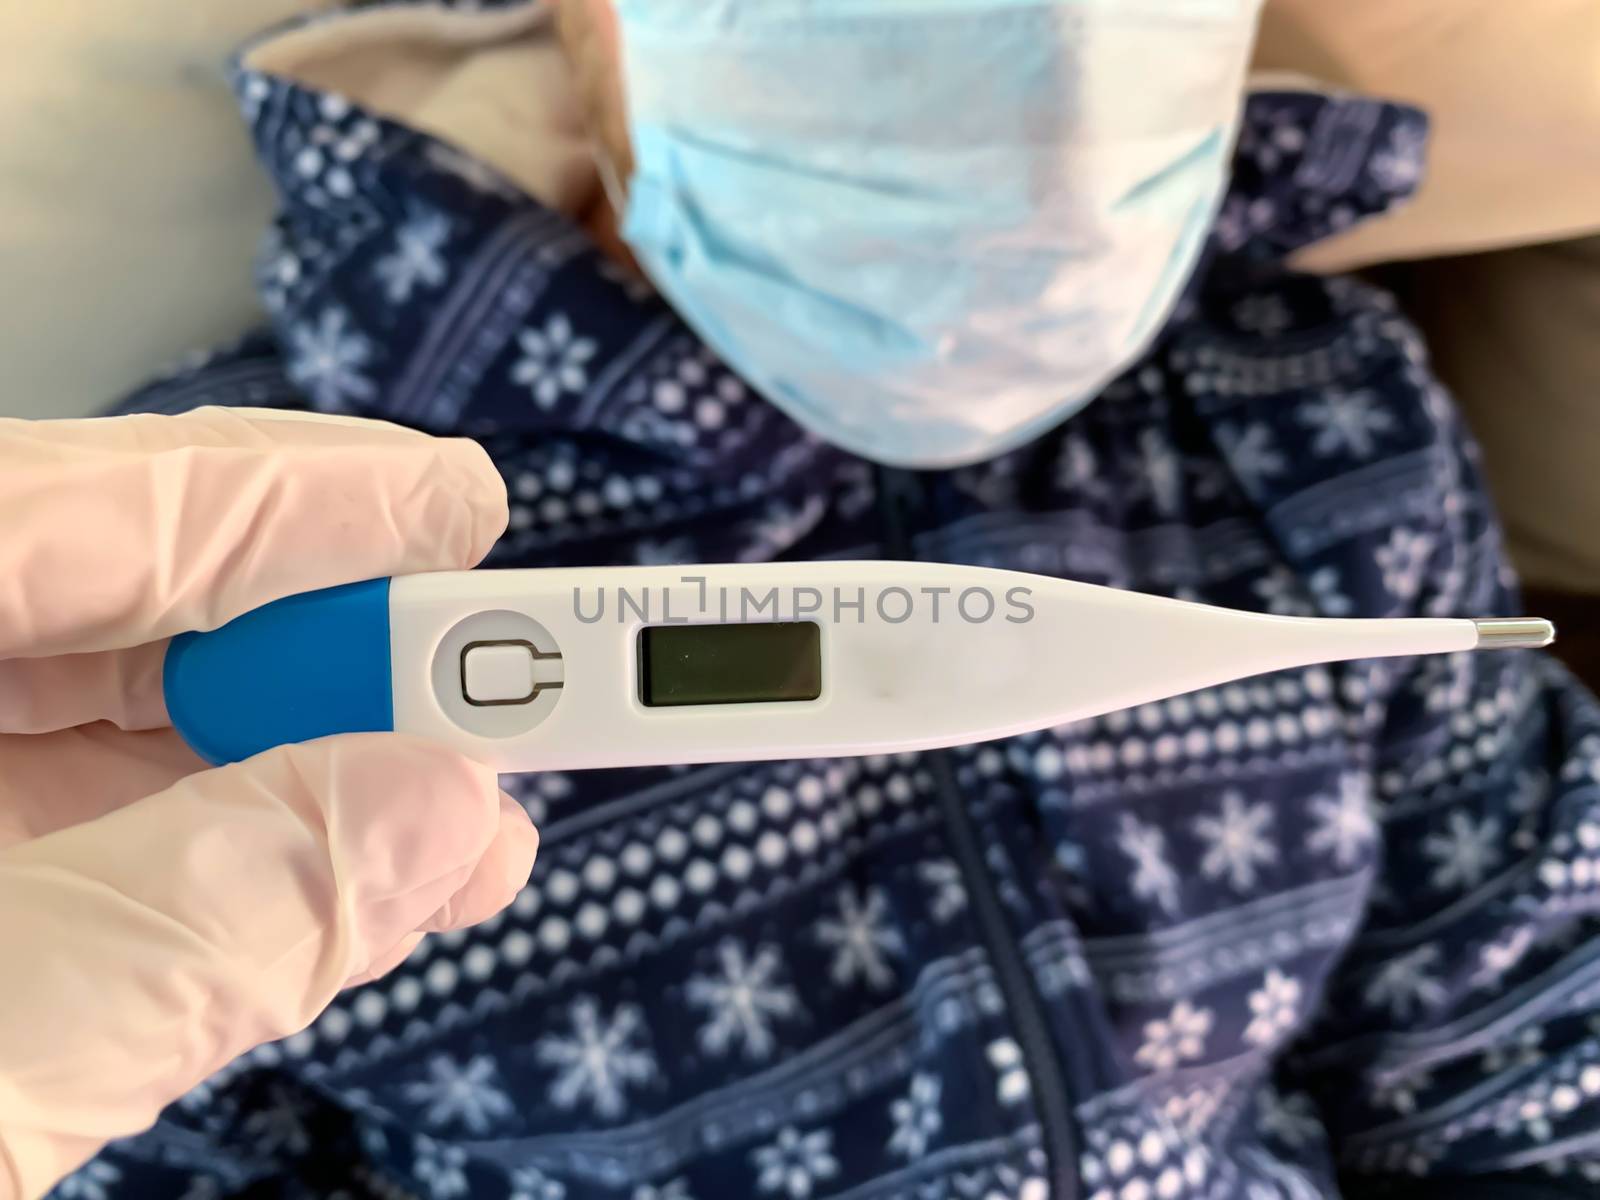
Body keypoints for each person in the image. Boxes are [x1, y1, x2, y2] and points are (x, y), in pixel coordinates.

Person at [8, 3, 1600, 1198]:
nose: (1018, 81)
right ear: (588, 27)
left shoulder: (1305, 419)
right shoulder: (237, 528)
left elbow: (1518, 1054)